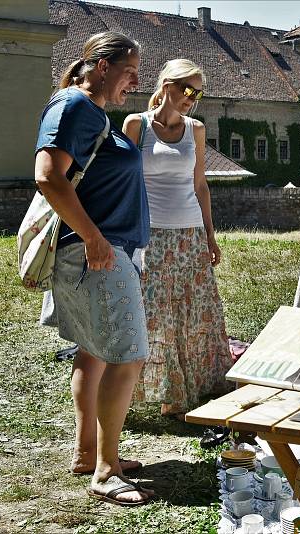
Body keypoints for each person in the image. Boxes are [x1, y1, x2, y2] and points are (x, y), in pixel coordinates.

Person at [34, 31, 154, 506]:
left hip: (99, 250)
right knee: (129, 355)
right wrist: (95, 238)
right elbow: (48, 176)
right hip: (97, 253)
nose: (135, 82)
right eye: (131, 71)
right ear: (102, 65)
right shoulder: (76, 107)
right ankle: (106, 470)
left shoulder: (86, 110)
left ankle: (90, 453)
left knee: (93, 352)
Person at [123, 59, 234, 422]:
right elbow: (125, 183)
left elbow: (200, 185)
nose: (192, 99)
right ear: (167, 86)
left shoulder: (196, 130)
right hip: (150, 235)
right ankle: (165, 392)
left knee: (194, 312)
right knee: (156, 315)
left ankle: (198, 385)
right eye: (188, 90)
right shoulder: (136, 126)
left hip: (189, 234)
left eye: (198, 93)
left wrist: (210, 235)